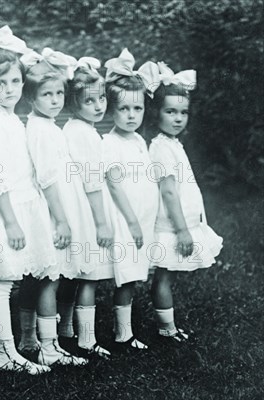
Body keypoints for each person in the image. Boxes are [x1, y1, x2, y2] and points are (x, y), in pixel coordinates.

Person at [0, 25, 55, 375]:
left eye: (15, 82)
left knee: (6, 277)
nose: (9, 90)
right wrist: (10, 221)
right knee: (1, 280)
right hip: (4, 209)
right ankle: (5, 352)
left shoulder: (10, 119)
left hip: (22, 203)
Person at [21, 47, 89, 367]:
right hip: (51, 212)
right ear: (31, 98)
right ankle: (48, 345)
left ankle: (33, 339)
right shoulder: (40, 131)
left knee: (49, 276)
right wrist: (61, 221)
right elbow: (47, 179)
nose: (55, 100)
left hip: (59, 207)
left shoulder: (49, 126)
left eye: (59, 93)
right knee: (51, 277)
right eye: (46, 94)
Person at [147, 62, 223, 343]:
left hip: (182, 221)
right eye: (170, 112)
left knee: (169, 274)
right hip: (171, 224)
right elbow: (168, 192)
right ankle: (166, 329)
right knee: (164, 275)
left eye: (183, 112)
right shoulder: (160, 147)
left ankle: (169, 325)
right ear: (157, 114)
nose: (178, 119)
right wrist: (181, 230)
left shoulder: (172, 143)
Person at [102, 48, 160, 350]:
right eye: (123, 109)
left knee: (136, 274)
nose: (131, 115)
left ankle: (125, 328)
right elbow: (114, 186)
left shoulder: (139, 140)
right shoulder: (110, 143)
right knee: (126, 276)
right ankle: (122, 332)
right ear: (111, 110)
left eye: (137, 109)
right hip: (126, 218)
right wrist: (133, 222)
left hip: (143, 216)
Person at [61, 57, 114, 359]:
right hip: (85, 208)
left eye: (102, 98)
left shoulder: (77, 128)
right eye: (89, 101)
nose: (98, 106)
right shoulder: (81, 133)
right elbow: (92, 182)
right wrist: (102, 223)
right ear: (74, 103)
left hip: (77, 204)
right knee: (89, 275)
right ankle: (86, 339)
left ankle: (66, 329)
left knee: (76, 272)